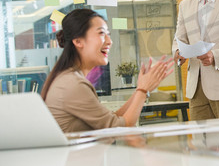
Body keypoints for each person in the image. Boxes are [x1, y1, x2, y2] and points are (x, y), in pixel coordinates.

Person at [41, 8, 173, 132]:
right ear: (78, 41)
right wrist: (143, 90)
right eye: (102, 33)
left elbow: (112, 120)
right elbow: (120, 128)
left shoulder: (68, 79)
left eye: (108, 34)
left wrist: (142, 88)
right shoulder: (73, 84)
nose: (110, 41)